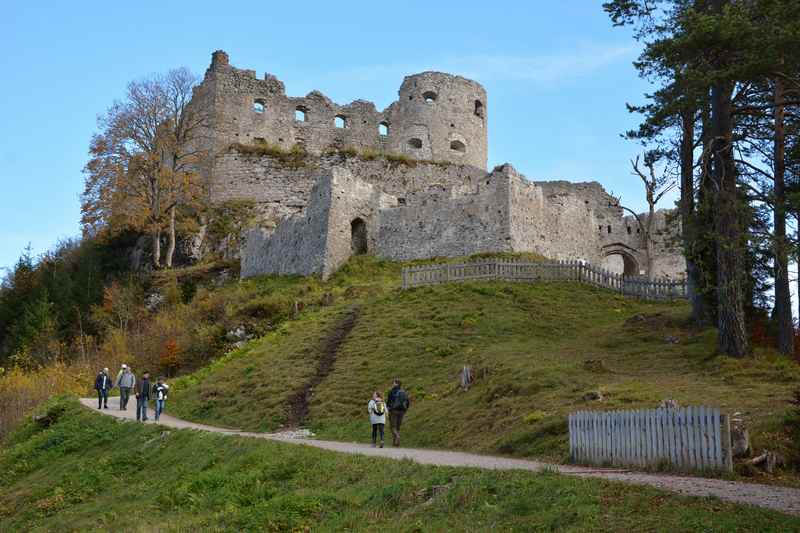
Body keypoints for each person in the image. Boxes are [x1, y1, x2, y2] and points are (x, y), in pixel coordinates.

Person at [387, 379, 410, 447]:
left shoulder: (391, 391)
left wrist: (388, 408)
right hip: (402, 411)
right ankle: (395, 443)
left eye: (394, 383)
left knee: (392, 427)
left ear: (396, 384)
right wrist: (405, 409)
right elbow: (408, 402)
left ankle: (397, 436)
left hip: (393, 411)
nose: (393, 384)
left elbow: (388, 401)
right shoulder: (404, 392)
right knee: (398, 427)